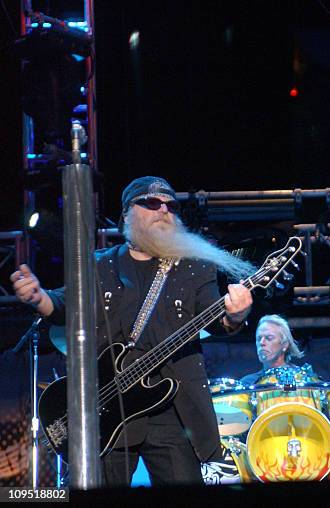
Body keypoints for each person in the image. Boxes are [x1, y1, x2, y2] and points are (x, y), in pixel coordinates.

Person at [11, 176, 254, 486]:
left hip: (171, 408)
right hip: (107, 409)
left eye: (170, 205)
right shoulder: (99, 265)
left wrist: (236, 315)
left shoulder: (195, 267)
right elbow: (63, 303)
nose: (164, 210)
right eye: (152, 203)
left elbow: (217, 322)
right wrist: (38, 298)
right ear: (127, 213)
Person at [239, 314, 309, 386]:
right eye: (259, 339)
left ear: (285, 345)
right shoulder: (247, 383)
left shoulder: (303, 380)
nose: (262, 343)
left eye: (269, 338)